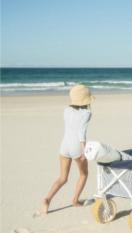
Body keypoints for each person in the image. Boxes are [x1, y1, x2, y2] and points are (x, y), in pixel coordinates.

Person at [42, 85, 94, 213]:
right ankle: (75, 200)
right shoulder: (87, 113)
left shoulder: (66, 110)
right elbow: (81, 133)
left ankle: (47, 199)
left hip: (64, 145)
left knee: (62, 178)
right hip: (76, 146)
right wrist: (84, 151)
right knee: (84, 174)